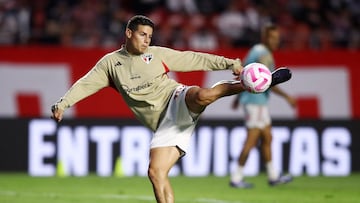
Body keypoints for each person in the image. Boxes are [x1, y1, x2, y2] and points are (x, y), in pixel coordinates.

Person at [51, 15, 291, 202]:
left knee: (203, 94)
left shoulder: (156, 54)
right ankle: (256, 84)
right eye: (142, 34)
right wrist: (63, 104)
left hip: (176, 98)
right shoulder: (110, 64)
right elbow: (86, 83)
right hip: (165, 125)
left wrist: (228, 62)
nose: (147, 40)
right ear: (128, 33)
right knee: (155, 174)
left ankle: (253, 83)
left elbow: (194, 58)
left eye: (150, 36)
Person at [230, 24, 297, 188]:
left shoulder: (256, 51)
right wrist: (287, 97)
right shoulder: (263, 55)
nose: (276, 42)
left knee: (268, 137)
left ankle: (273, 175)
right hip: (255, 102)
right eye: (273, 38)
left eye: (277, 38)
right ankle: (236, 177)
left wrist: (238, 98)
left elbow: (245, 76)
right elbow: (266, 83)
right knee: (252, 140)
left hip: (255, 101)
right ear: (265, 38)